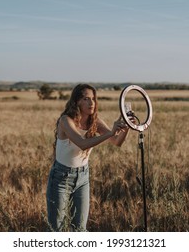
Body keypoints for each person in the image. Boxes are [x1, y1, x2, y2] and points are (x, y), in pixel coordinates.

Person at [46, 83, 130, 231]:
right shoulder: (66, 121)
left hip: (83, 177)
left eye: (93, 99)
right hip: (61, 177)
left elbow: (116, 142)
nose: (91, 103)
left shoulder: (95, 122)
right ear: (76, 101)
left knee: (80, 229)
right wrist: (111, 132)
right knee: (56, 230)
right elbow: (82, 143)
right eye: (86, 99)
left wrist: (126, 126)